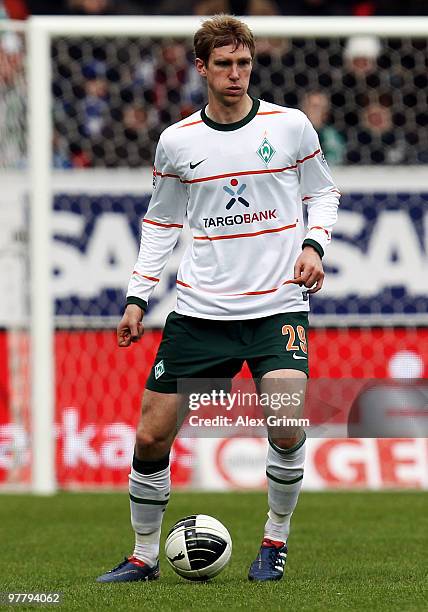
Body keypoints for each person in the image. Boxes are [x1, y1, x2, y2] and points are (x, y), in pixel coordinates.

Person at [96, 14, 339, 584]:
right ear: (201, 67)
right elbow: (160, 223)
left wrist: (313, 246)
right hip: (201, 312)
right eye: (224, 64)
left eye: (244, 63)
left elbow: (323, 194)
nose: (236, 74)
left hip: (277, 306)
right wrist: (138, 297)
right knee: (153, 434)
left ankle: (274, 545)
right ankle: (143, 556)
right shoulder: (178, 140)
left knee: (284, 423)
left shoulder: (290, 126)